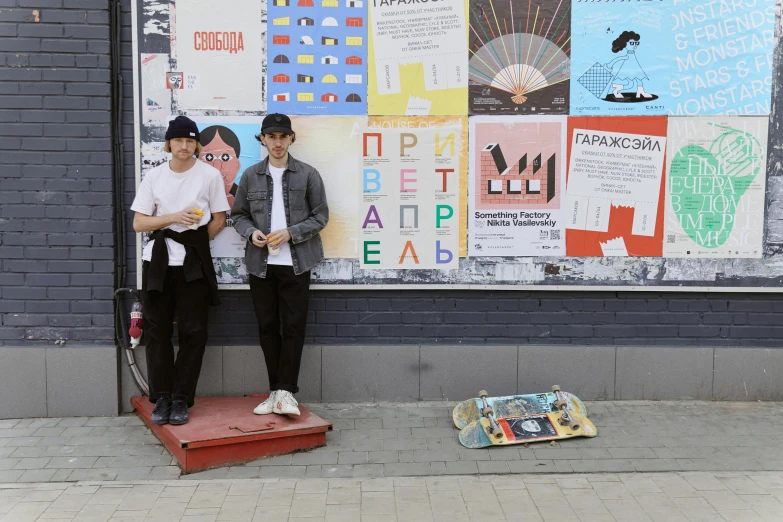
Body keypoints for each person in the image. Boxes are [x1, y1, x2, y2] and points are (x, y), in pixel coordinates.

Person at [131, 116, 231, 425]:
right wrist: (174, 217)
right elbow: (139, 223)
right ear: (169, 144)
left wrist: (197, 241)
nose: (184, 147)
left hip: (193, 263)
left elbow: (219, 218)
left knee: (193, 331)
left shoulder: (209, 176)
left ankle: (181, 399)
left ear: (196, 145)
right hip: (158, 261)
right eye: (178, 141)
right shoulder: (155, 176)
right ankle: (161, 397)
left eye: (189, 141)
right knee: (158, 330)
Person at [231, 113, 329, 416]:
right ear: (262, 139)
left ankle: (287, 391)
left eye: (282, 136)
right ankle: (275, 391)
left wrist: (290, 233)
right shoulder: (249, 176)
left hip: (297, 263)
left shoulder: (308, 174)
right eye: (271, 136)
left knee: (294, 328)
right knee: (267, 328)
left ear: (291, 139)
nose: (277, 142)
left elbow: (321, 216)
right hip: (261, 264)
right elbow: (238, 215)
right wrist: (252, 233)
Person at [198, 125, 242, 207]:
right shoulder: (192, 196)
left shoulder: (243, 199)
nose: (217, 167)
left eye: (225, 158)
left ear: (237, 165)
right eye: (209, 157)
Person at [605, 31, 653, 100]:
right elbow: (619, 59)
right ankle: (616, 90)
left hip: (634, 67)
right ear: (624, 44)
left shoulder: (632, 54)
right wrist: (610, 64)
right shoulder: (626, 56)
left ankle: (640, 91)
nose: (635, 45)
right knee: (630, 84)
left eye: (636, 43)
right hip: (627, 69)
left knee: (638, 80)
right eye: (632, 43)